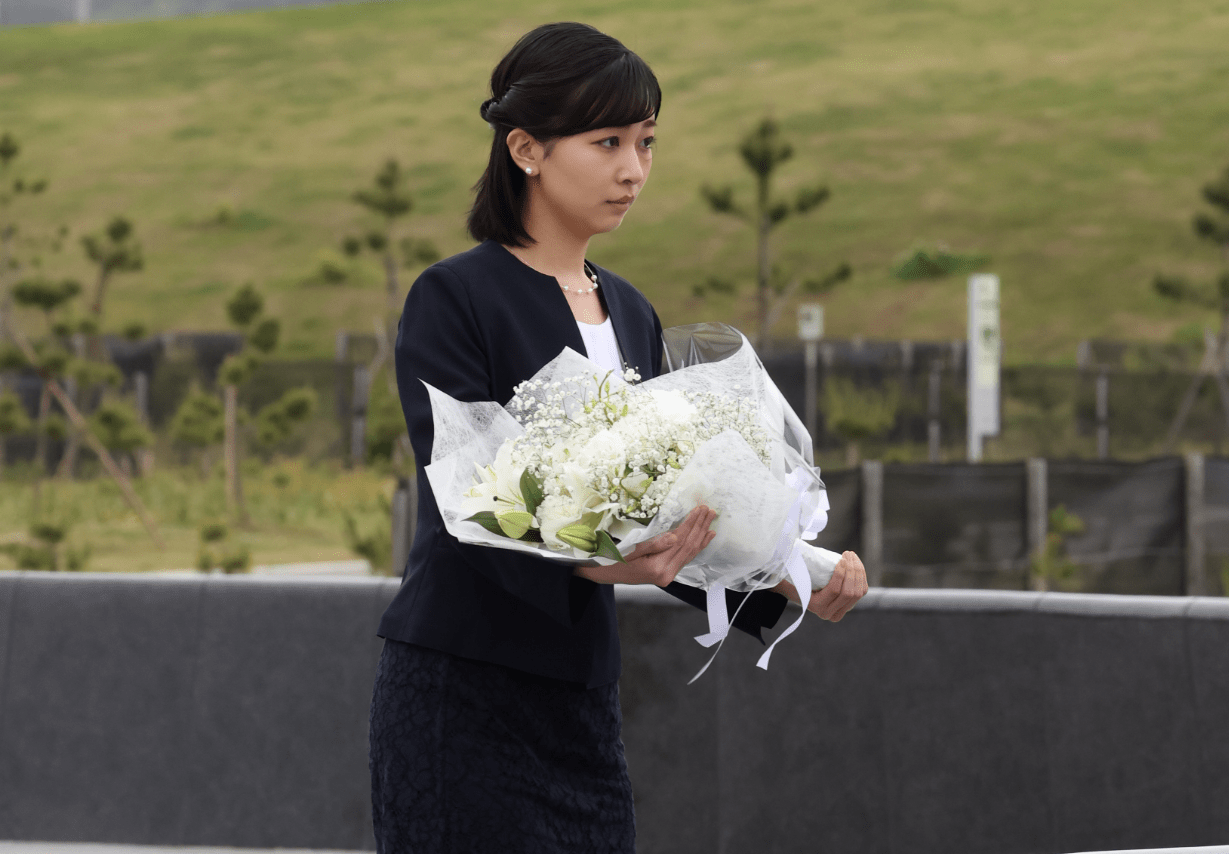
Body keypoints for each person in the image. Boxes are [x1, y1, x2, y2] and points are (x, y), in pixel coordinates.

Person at [369, 21, 868, 853]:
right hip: (463, 685)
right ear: (525, 148)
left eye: (646, 142)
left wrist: (788, 569)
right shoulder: (454, 296)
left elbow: (659, 513)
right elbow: (471, 508)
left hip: (583, 698)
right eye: (607, 142)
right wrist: (601, 562)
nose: (633, 170)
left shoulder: (631, 310)